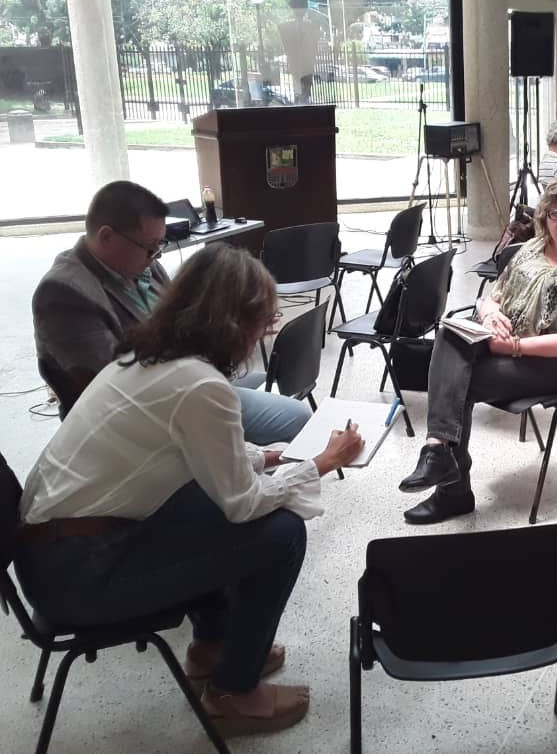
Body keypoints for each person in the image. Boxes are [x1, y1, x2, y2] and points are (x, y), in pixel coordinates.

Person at [15, 244, 364, 737]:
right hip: (80, 577)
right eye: (265, 320)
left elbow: (192, 454)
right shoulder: (201, 384)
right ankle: (234, 693)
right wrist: (323, 463)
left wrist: (268, 457)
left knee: (202, 501)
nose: (265, 331)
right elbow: (243, 504)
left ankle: (214, 647)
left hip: (52, 557)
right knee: (281, 533)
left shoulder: (139, 358)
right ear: (235, 323)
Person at [398, 179, 557, 525]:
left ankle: (451, 488)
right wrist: (490, 314)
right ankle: (438, 448)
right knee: (450, 334)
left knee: (458, 382)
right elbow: (491, 296)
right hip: (505, 345)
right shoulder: (532, 249)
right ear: (545, 217)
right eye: (556, 213)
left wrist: (515, 346)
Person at [31, 180, 311, 446]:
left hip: (178, 383)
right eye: (149, 246)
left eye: (160, 244)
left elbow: (175, 325)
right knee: (295, 417)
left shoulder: (141, 264)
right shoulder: (64, 293)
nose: (157, 255)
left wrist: (239, 327)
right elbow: (117, 385)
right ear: (107, 236)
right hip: (142, 414)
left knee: (266, 382)